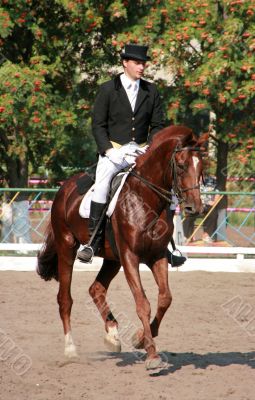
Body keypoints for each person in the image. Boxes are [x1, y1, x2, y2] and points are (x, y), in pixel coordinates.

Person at [77, 43, 185, 266]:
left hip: (141, 152)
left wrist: (150, 148)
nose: (141, 67)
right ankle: (92, 242)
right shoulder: (108, 89)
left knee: (169, 189)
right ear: (125, 63)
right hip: (113, 151)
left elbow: (158, 125)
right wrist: (108, 150)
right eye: (137, 62)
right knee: (103, 184)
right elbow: (98, 125)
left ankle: (166, 245)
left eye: (143, 63)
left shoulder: (150, 90)